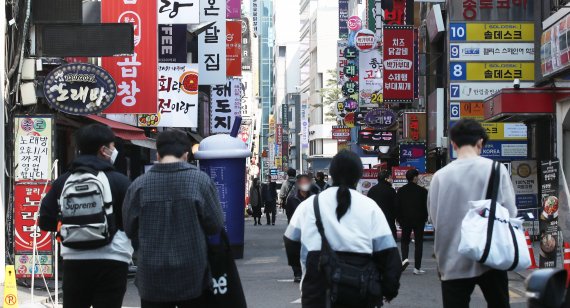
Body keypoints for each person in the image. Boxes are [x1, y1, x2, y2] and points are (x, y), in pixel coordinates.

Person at [284, 151, 402, 307]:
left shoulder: (310, 205)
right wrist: (388, 289)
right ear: (359, 175)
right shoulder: (370, 207)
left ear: (332, 174)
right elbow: (389, 255)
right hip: (360, 292)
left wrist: (302, 267)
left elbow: (291, 241)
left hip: (317, 292)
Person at [122, 131, 224, 308]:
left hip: (151, 274)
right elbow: (215, 225)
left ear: (158, 154)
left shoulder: (139, 185)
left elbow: (129, 229)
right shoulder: (200, 181)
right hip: (193, 271)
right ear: (186, 154)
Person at [39, 124, 133, 308]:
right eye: (112, 146)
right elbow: (133, 221)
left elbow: (45, 221)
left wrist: (72, 226)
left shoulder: (62, 181)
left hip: (74, 260)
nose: (114, 151)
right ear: (103, 150)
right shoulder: (120, 181)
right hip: (113, 259)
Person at [429, 119, 516, 308]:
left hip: (452, 258)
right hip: (491, 257)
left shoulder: (440, 176)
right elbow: (510, 212)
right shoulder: (496, 169)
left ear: (453, 143)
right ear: (480, 143)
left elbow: (435, 219)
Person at [395, 169, 428, 275]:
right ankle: (417, 268)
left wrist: (399, 219)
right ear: (414, 177)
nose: (418, 178)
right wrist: (425, 218)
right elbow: (425, 207)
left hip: (405, 220)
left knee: (405, 242)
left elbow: (398, 206)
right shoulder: (423, 191)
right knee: (419, 243)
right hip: (419, 220)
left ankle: (404, 260)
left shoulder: (401, 190)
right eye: (417, 176)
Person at [285, 175, 314, 282]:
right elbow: (288, 213)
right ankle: (297, 272)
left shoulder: (314, 198)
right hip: (296, 227)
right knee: (295, 249)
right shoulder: (292, 198)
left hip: (311, 227)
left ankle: (308, 271)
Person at [367, 170, 397, 240]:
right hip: (389, 221)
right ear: (386, 179)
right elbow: (396, 206)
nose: (391, 179)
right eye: (390, 177)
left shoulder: (372, 190)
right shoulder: (391, 190)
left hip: (375, 222)